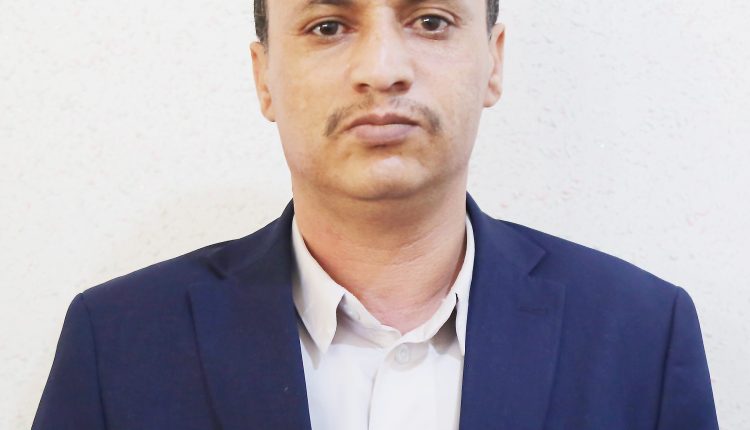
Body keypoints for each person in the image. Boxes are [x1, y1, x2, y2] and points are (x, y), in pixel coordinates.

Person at [32, 0, 719, 428]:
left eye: (430, 21)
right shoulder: (118, 341)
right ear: (264, 77)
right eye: (329, 26)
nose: (383, 68)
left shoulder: (641, 334)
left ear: (494, 62)